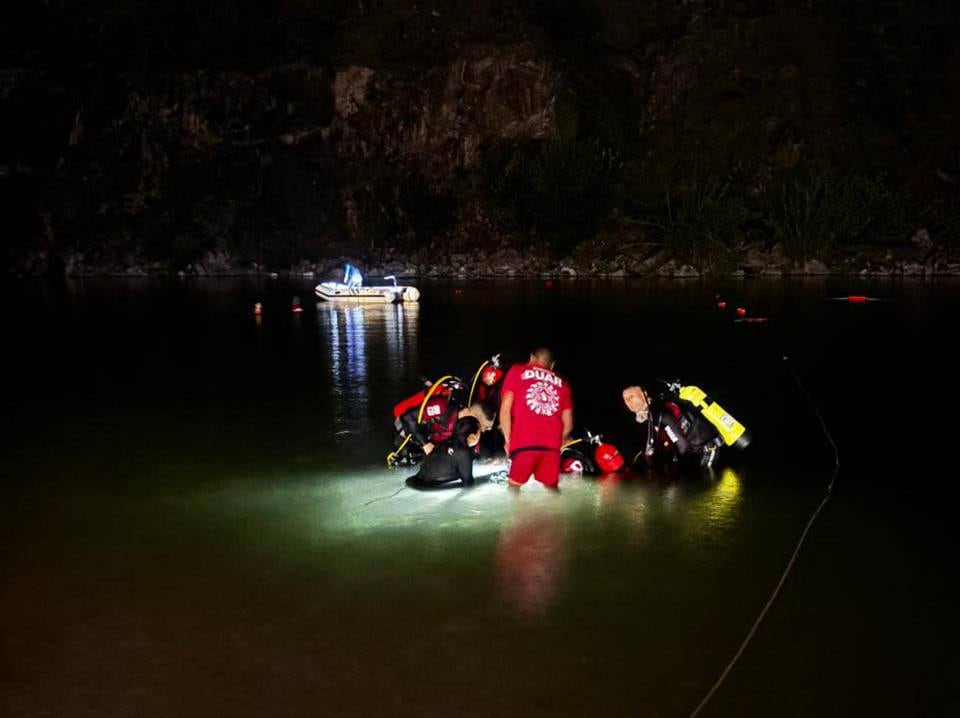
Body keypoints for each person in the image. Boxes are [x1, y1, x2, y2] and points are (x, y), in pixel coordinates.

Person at [500, 347, 574, 489]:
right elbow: (568, 423)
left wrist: (509, 441)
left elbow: (505, 411)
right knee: (552, 490)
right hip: (552, 447)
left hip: (524, 444)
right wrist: (557, 445)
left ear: (531, 358)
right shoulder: (563, 383)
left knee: (513, 489)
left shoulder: (517, 370)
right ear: (552, 365)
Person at [622, 384, 736, 470]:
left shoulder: (659, 412)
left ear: (644, 394)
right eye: (625, 399)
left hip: (705, 453)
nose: (628, 402)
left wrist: (681, 472)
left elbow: (682, 445)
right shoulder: (647, 417)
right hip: (693, 454)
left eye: (631, 396)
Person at [390, 377, 495, 466]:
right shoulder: (442, 407)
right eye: (484, 426)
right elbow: (408, 417)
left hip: (433, 436)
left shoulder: (466, 425)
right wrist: (425, 444)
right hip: (409, 429)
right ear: (472, 414)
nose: (483, 431)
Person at [406, 417, 482, 489]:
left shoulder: (446, 443)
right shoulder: (463, 453)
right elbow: (468, 483)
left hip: (416, 480)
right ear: (472, 436)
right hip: (431, 487)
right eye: (479, 432)